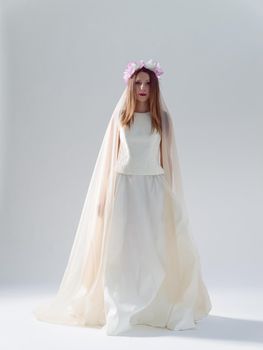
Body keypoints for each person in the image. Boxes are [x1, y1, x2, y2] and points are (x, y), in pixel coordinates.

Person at [33, 59, 212, 336]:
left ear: (154, 87)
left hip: (153, 189)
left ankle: (155, 304)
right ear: (130, 85)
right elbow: (108, 162)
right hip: (124, 189)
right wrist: (103, 197)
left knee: (154, 248)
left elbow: (168, 162)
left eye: (147, 83)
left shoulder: (162, 119)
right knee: (122, 248)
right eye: (138, 82)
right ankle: (121, 302)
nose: (142, 88)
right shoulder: (121, 118)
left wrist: (172, 196)